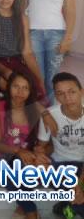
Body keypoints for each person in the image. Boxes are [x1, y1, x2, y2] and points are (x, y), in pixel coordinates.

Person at [20, 0, 76, 101]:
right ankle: (39, 114)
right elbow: (22, 6)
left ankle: (52, 113)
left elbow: (71, 10)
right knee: (37, 78)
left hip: (57, 34)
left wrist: (68, 38)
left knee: (52, 78)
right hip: (33, 33)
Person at [0, 71, 51, 219]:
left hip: (28, 158)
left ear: (30, 91)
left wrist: (41, 151)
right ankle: (31, 210)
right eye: (16, 86)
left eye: (25, 88)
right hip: (3, 157)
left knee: (30, 165)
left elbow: (49, 144)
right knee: (14, 167)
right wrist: (18, 151)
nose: (20, 92)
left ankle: (22, 206)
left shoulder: (34, 109)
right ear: (8, 87)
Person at [35, 72, 84, 218]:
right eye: (61, 94)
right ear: (56, 96)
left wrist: (80, 185)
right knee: (38, 167)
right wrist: (39, 155)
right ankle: (69, 205)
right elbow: (41, 147)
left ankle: (66, 207)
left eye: (72, 92)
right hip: (61, 164)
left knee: (78, 199)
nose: (67, 98)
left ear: (81, 92)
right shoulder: (50, 115)